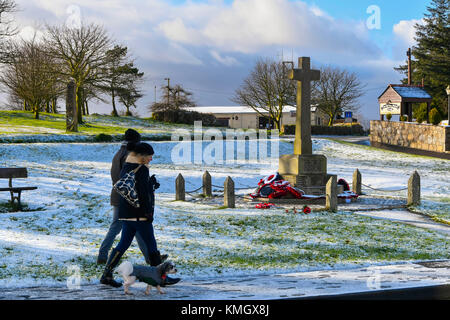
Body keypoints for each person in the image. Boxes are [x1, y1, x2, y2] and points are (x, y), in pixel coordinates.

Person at [100, 141, 180, 288]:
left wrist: (150, 184)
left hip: (126, 213)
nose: (151, 159)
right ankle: (161, 278)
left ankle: (106, 274)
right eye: (149, 156)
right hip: (140, 214)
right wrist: (148, 212)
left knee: (122, 244)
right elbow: (143, 194)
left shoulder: (127, 166)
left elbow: (133, 187)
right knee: (151, 245)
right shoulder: (142, 169)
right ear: (142, 156)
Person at [97, 129, 155, 265]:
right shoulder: (130, 156)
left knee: (135, 230)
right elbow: (132, 180)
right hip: (127, 198)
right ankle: (103, 255)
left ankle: (150, 257)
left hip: (120, 196)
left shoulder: (118, 153)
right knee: (118, 228)